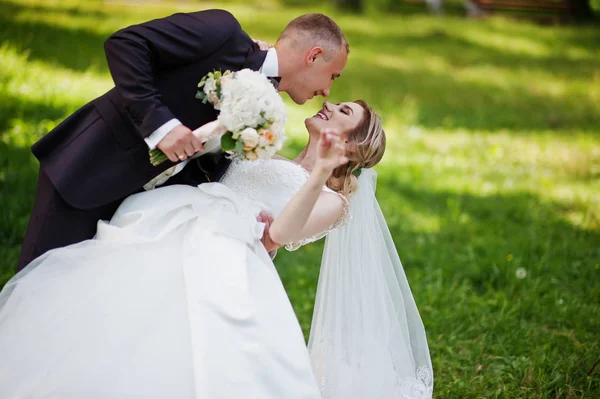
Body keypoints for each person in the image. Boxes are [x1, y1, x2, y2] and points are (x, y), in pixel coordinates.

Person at [17, 10, 350, 272]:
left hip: (138, 216)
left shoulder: (264, 106)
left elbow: (207, 170)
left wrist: (249, 227)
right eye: (332, 76)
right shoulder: (222, 33)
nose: (327, 91)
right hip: (92, 170)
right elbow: (125, 44)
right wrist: (162, 127)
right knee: (37, 293)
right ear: (314, 55)